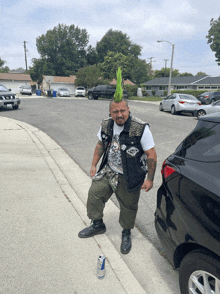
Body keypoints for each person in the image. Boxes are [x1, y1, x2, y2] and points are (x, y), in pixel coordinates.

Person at [78, 69, 157, 254]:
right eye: (115, 111)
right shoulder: (106, 124)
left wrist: (150, 178)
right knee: (94, 194)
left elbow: (151, 154)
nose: (119, 114)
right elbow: (100, 144)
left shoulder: (140, 128)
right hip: (109, 170)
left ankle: (127, 233)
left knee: (128, 207)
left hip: (130, 175)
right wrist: (93, 165)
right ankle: (97, 224)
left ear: (128, 110)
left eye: (123, 110)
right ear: (110, 112)